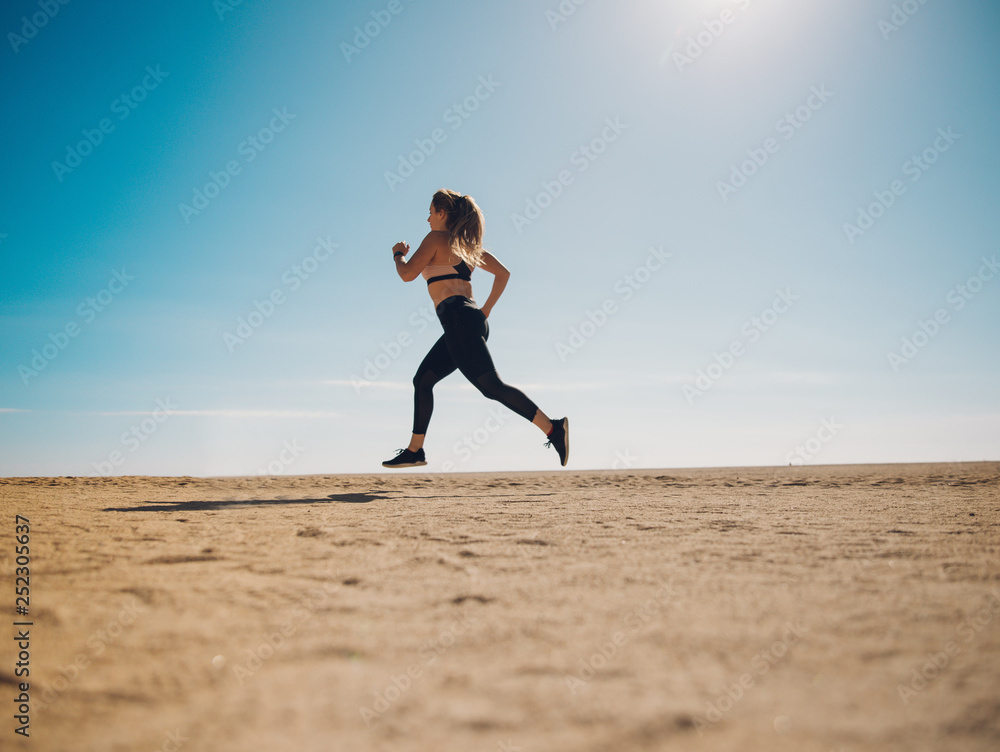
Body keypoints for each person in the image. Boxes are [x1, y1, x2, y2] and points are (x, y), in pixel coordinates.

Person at [382, 189, 568, 469]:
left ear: (442, 213)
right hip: (468, 321)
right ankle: (415, 451)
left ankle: (554, 429)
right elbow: (503, 274)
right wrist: (486, 311)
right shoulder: (466, 247)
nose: (428, 218)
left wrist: (397, 255)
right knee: (423, 380)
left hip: (458, 320)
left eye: (431, 211)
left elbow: (407, 274)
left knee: (492, 387)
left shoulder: (436, 238)